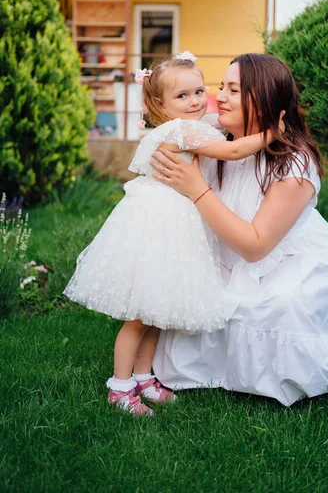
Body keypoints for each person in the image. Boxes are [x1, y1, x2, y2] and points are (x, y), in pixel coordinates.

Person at [151, 53, 328, 407]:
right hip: (223, 251)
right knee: (189, 301)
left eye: (234, 90)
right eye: (221, 86)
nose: (219, 96)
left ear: (264, 100)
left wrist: (196, 188)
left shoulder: (293, 162)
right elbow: (168, 121)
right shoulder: (216, 136)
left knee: (279, 308)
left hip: (279, 257)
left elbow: (256, 246)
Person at [63, 52, 278, 415]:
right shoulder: (181, 130)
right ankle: (119, 386)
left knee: (155, 311)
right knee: (139, 315)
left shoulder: (185, 123)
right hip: (162, 225)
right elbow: (235, 149)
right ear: (160, 105)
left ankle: (144, 377)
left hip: (169, 222)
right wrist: (273, 131)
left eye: (199, 91)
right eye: (182, 96)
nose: (195, 101)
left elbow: (212, 119)